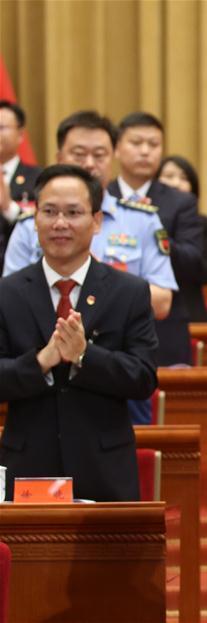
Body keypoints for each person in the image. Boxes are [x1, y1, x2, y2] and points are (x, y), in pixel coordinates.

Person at [0, 164, 157, 501]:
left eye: (73, 213)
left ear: (97, 221)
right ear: (34, 219)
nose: (60, 223)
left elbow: (143, 378)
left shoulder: (128, 292)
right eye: (50, 212)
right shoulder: (7, 292)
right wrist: (40, 361)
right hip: (28, 467)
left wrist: (84, 356)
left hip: (104, 469)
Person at [3, 111, 176, 321]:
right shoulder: (31, 224)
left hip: (116, 345)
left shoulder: (142, 221)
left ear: (113, 156)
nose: (89, 163)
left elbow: (162, 303)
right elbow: (10, 299)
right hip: (41, 344)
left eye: (99, 154)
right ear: (59, 158)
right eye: (79, 154)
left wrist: (95, 279)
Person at [107, 112, 204, 365]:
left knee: (165, 403)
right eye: (136, 143)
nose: (145, 151)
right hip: (106, 324)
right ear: (117, 149)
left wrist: (149, 235)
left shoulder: (180, 201)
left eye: (153, 144)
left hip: (165, 325)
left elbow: (194, 261)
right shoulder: (100, 198)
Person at [157, 155, 207, 322]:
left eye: (184, 178)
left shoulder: (204, 224)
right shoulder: (140, 220)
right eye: (168, 176)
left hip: (189, 309)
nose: (176, 183)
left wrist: (163, 239)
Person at [0, 100, 42, 270]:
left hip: (19, 270)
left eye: (2, 127)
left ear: (20, 134)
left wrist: (9, 208)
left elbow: (43, 224)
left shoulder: (37, 177)